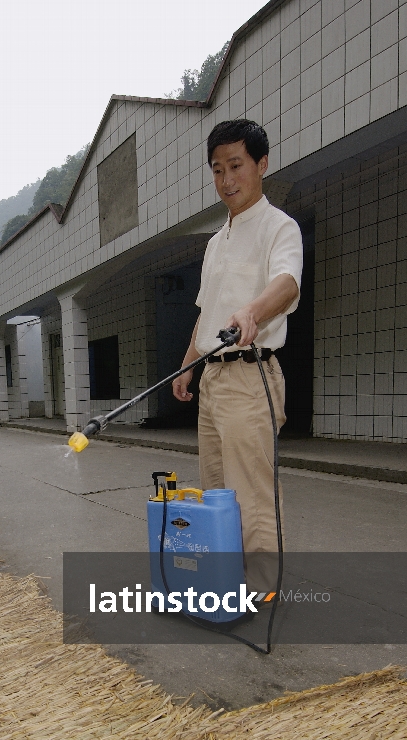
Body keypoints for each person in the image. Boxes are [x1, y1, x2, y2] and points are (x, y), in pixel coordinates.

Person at [173, 119, 303, 557]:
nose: (226, 180)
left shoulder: (279, 227)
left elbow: (286, 284)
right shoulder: (215, 243)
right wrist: (188, 367)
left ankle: (263, 588)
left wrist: (252, 311)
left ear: (261, 164)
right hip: (211, 379)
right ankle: (227, 580)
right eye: (216, 169)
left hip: (251, 378)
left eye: (235, 165)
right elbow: (205, 314)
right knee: (216, 493)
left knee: (251, 492)